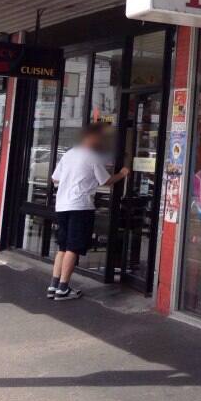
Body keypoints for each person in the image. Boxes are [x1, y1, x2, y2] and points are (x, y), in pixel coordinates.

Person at [48, 123, 129, 301]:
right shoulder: (92, 156)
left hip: (62, 205)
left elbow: (54, 179)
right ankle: (63, 288)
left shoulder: (69, 154)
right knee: (73, 248)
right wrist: (122, 174)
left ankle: (54, 285)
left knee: (63, 247)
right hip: (80, 206)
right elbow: (105, 181)